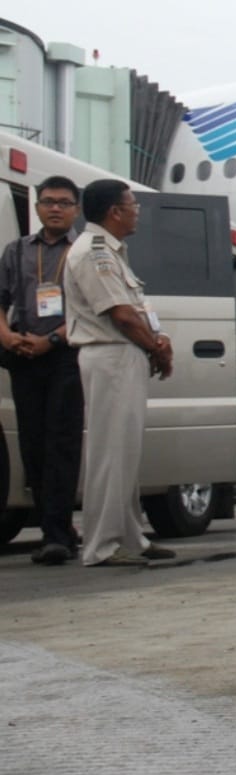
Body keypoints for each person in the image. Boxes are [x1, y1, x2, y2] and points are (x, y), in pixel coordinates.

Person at [63, 179, 176, 567]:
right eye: (132, 204)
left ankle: (130, 535)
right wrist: (154, 346)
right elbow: (122, 314)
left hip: (122, 355)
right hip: (109, 355)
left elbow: (135, 310)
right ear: (114, 211)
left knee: (125, 452)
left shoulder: (112, 251)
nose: (137, 210)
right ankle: (102, 545)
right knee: (110, 452)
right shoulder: (95, 253)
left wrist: (156, 341)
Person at [0, 176, 84, 565]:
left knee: (61, 442)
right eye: (48, 201)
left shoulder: (83, 251)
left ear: (76, 209)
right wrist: (6, 336)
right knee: (32, 443)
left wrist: (50, 340)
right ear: (35, 208)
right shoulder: (16, 251)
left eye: (64, 203)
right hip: (23, 354)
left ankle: (55, 535)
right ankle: (59, 526)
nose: (55, 208)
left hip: (65, 355)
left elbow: (88, 312)